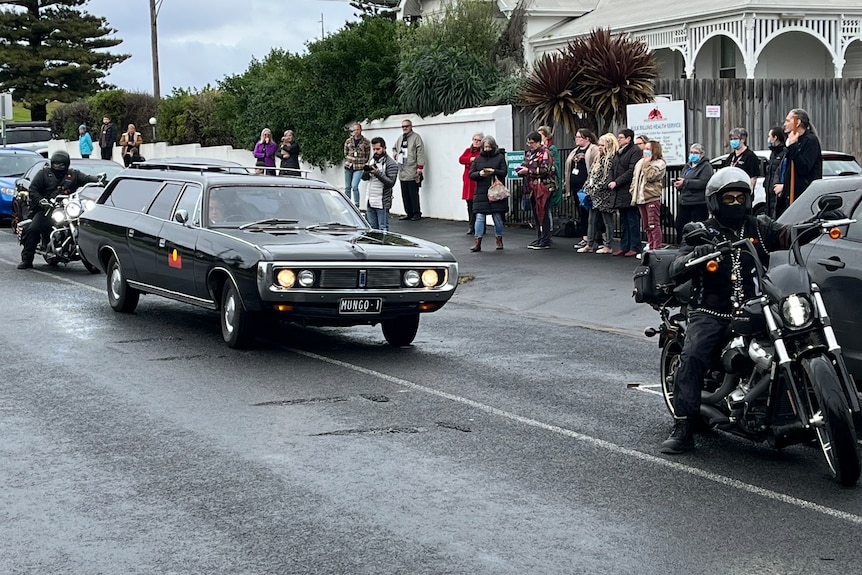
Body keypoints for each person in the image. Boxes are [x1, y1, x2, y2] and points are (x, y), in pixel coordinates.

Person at [660, 167, 811, 454]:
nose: (735, 203)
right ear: (715, 201)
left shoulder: (758, 226)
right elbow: (676, 267)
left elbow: (787, 234)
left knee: (799, 337)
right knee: (691, 357)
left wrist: (813, 226)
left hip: (758, 307)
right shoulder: (702, 230)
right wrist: (695, 256)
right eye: (728, 198)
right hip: (711, 310)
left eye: (740, 197)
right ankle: (683, 426)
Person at [17, 151, 100, 269]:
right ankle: (27, 259)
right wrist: (41, 201)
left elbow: (88, 179)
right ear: (52, 163)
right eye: (56, 164)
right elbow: (33, 189)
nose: (59, 167)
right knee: (34, 229)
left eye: (61, 165)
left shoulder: (74, 175)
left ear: (67, 164)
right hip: (47, 209)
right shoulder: (43, 174)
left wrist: (99, 180)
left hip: (68, 207)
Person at [579, 132, 618, 254]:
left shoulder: (611, 160)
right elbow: (591, 175)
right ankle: (589, 244)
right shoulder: (598, 158)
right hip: (594, 195)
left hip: (604, 195)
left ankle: (608, 245)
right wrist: (586, 189)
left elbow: (606, 179)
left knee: (607, 221)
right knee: (592, 219)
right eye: (599, 145)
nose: (600, 147)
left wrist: (594, 189)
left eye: (603, 145)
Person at [468, 135, 508, 252]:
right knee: (479, 217)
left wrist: (494, 171)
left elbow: (504, 172)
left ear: (493, 147)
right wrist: (480, 174)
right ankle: (477, 242)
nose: (487, 149)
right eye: (485, 147)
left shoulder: (500, 157)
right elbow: (471, 174)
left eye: (489, 147)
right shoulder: (478, 159)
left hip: (495, 191)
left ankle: (499, 239)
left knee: (497, 217)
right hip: (481, 191)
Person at [517, 131, 555, 250]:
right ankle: (540, 237)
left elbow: (545, 170)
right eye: (528, 143)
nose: (530, 145)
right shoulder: (529, 154)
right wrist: (521, 170)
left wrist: (528, 171)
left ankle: (545, 239)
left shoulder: (545, 153)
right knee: (536, 213)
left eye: (532, 143)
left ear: (539, 142)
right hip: (532, 188)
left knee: (543, 212)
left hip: (544, 187)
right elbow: (525, 165)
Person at [608, 129, 642, 257]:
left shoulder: (635, 151)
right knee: (623, 221)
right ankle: (624, 245)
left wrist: (617, 182)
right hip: (618, 191)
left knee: (632, 220)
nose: (619, 139)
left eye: (621, 137)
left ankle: (635, 246)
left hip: (628, 190)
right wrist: (611, 180)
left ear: (629, 139)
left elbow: (631, 170)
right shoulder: (619, 152)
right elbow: (612, 167)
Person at [780, 108, 823, 205]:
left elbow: (803, 168)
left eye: (787, 121)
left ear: (797, 122)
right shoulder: (793, 141)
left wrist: (793, 146)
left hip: (805, 196)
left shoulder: (810, 141)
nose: (785, 124)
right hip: (790, 196)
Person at [673, 143, 714, 242]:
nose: (693, 155)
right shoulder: (687, 166)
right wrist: (679, 184)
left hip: (698, 202)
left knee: (698, 227)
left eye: (696, 153)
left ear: (702, 154)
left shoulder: (706, 166)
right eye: (691, 152)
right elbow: (683, 178)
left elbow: (704, 182)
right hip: (685, 201)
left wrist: (686, 183)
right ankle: (681, 246)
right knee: (680, 225)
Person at [565, 128, 599, 249]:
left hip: (587, 186)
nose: (577, 139)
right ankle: (585, 237)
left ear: (587, 138)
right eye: (576, 137)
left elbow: (596, 165)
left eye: (579, 137)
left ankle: (596, 238)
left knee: (590, 212)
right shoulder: (575, 151)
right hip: (576, 186)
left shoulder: (593, 149)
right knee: (581, 212)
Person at [631, 139, 666, 253]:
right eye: (645, 149)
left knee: (653, 224)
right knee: (646, 225)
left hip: (651, 197)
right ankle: (650, 247)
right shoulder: (639, 163)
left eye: (648, 149)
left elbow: (651, 176)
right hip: (640, 198)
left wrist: (647, 164)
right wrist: (632, 191)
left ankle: (656, 249)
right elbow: (634, 179)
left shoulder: (659, 163)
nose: (645, 151)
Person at [361, 137, 399, 231]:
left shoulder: (391, 164)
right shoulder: (372, 160)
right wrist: (366, 171)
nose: (375, 151)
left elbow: (391, 183)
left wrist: (377, 173)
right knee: (372, 229)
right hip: (370, 199)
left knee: (383, 229)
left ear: (384, 148)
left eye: (378, 149)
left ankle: (384, 245)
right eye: (374, 149)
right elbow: (364, 178)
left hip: (382, 201)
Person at [394, 119, 426, 221]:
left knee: (413, 193)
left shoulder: (416, 138)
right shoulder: (400, 138)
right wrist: (395, 153)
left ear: (411, 126)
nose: (404, 128)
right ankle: (409, 212)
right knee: (405, 194)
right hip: (402, 170)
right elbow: (394, 148)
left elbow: (420, 153)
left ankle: (416, 213)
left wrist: (420, 167)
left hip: (412, 169)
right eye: (403, 126)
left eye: (406, 126)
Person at [459, 133, 483, 234]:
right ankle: (471, 226)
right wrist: (470, 159)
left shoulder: (482, 152)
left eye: (478, 140)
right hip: (468, 180)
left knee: (479, 205)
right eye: (474, 139)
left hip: (477, 180)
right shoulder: (468, 151)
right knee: (469, 204)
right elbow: (461, 159)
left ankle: (480, 226)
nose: (476, 142)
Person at [537, 126, 562, 224]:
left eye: (541, 136)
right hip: (540, 182)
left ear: (546, 137)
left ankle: (549, 229)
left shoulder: (552, 149)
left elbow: (554, 165)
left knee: (546, 207)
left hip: (549, 182)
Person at [343, 123, 371, 207]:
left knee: (354, 186)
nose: (356, 131)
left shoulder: (366, 142)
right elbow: (345, 153)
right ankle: (347, 205)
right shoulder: (348, 141)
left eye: (357, 129)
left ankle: (356, 205)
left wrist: (361, 162)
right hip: (349, 166)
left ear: (361, 130)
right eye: (354, 130)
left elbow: (367, 155)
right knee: (347, 187)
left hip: (359, 167)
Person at [763, 126, 788, 218]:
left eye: (769, 136)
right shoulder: (773, 154)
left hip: (777, 193)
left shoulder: (784, 153)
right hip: (770, 194)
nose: (768, 139)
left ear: (775, 138)